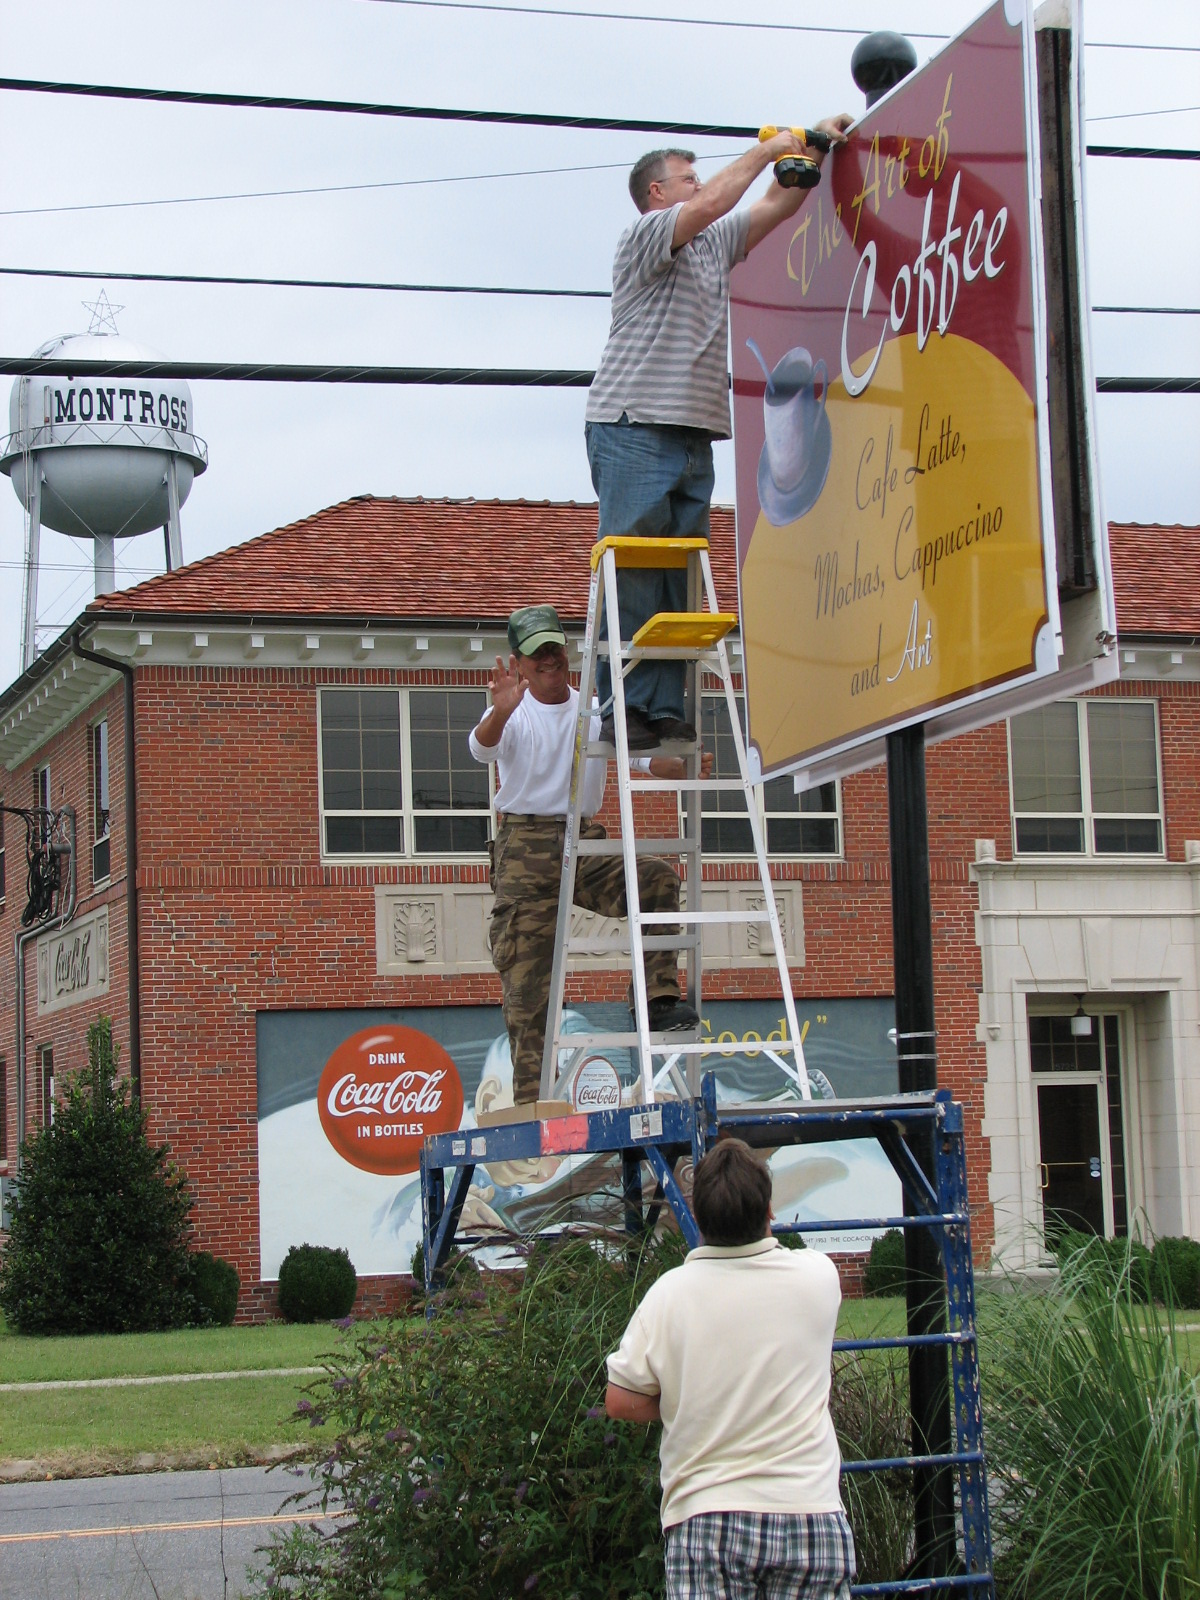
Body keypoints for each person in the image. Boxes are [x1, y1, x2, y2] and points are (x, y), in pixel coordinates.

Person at [585, 121, 853, 750]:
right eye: (687, 176)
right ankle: (621, 703)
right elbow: (716, 201)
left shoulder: (713, 241)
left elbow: (776, 205)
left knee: (677, 578)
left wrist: (814, 147)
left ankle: (658, 707)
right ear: (657, 192)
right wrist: (766, 147)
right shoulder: (647, 235)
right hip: (634, 421)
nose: (699, 184)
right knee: (634, 567)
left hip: (693, 428)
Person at [469, 603, 702, 1109]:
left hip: (584, 839)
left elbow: (644, 758)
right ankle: (533, 1108)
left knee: (657, 879)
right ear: (520, 662)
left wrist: (689, 761)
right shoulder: (512, 709)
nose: (549, 660)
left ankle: (658, 999)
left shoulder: (595, 711)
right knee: (529, 991)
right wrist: (503, 708)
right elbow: (482, 748)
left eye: (554, 648)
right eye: (536, 655)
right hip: (526, 850)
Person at [606, 1137, 855, 1600]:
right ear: (770, 1214)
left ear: (697, 1219)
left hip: (707, 1518)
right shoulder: (818, 1278)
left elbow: (620, 1400)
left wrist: (687, 1401)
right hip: (811, 1514)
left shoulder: (669, 1294)